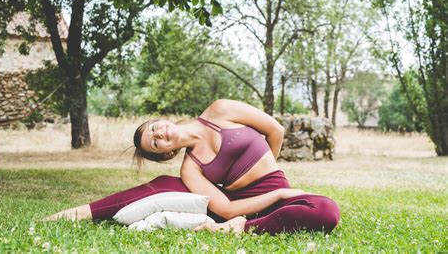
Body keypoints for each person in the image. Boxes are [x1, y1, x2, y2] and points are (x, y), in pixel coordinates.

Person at [46, 99, 340, 235]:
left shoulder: (221, 110)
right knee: (163, 186)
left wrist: (271, 173)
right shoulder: (190, 169)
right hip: (246, 204)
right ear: (166, 153)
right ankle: (243, 229)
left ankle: (244, 228)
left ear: (161, 120)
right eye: (155, 144)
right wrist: (276, 197)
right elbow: (225, 209)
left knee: (327, 210)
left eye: (153, 129)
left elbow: (275, 130)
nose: (159, 135)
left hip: (277, 190)